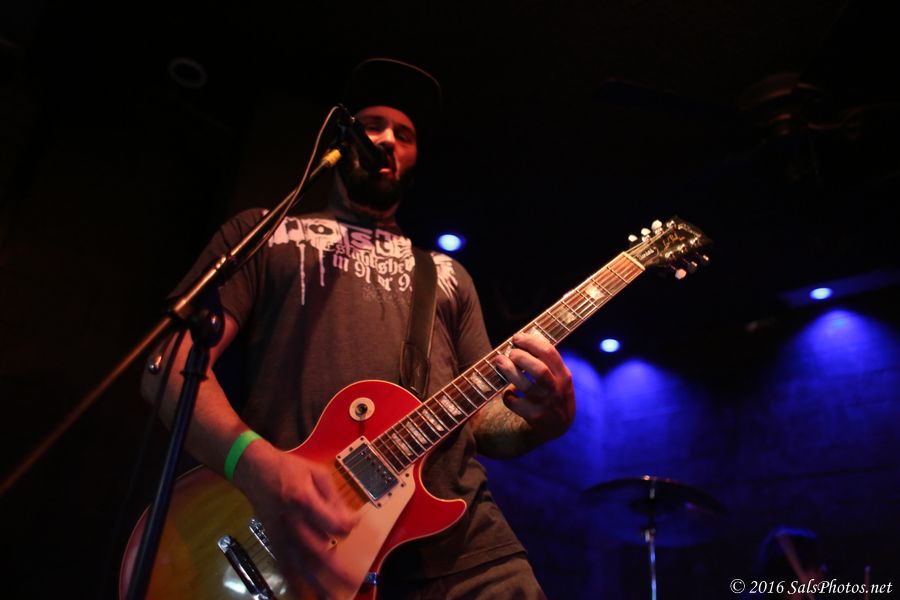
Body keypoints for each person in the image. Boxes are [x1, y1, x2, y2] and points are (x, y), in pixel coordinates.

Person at [142, 57, 575, 599]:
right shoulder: (265, 234)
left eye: (404, 134)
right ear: (342, 140)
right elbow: (168, 367)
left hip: (464, 551)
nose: (388, 139)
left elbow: (484, 423)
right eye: (373, 125)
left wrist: (544, 419)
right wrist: (254, 466)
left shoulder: (446, 273)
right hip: (310, 540)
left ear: (414, 158)